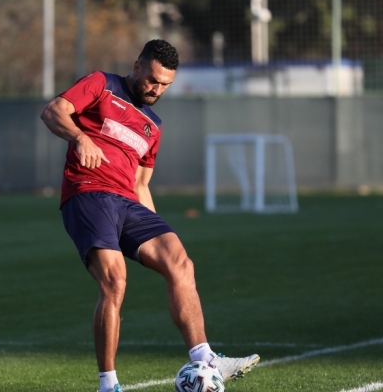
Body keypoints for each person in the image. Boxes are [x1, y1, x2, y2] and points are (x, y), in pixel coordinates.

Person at [40, 39, 259, 392]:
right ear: (137, 66)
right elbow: (53, 111)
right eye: (153, 80)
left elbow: (141, 184)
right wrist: (81, 138)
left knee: (180, 262)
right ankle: (108, 385)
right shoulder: (102, 84)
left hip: (129, 203)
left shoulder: (153, 125)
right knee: (115, 281)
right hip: (89, 194)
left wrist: (153, 234)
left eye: (165, 85)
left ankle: (206, 358)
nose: (157, 89)